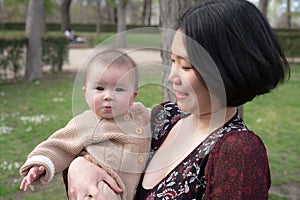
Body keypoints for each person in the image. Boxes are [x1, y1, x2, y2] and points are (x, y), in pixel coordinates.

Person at [64, 0, 290, 199]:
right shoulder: (165, 117)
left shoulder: (238, 152)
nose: (171, 76)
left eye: (186, 66)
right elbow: (102, 149)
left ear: (227, 68)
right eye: (172, 61)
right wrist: (78, 166)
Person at [19, 49, 151, 200]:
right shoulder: (88, 122)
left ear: (132, 96)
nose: (108, 96)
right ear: (86, 94)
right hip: (99, 186)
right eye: (100, 88)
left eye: (119, 89)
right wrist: (39, 164)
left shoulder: (140, 114)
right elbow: (59, 144)